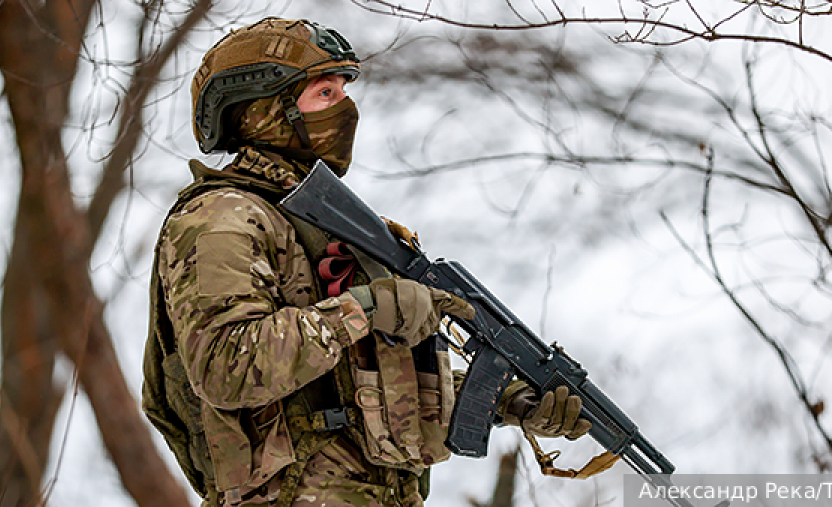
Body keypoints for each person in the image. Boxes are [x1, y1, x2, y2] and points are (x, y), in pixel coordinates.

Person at [142, 17, 592, 507]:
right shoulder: (220, 217)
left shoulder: (328, 223)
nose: (346, 109)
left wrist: (510, 401)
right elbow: (225, 367)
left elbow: (375, 381)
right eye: (325, 94)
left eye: (344, 92)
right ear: (266, 108)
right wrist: (365, 308)